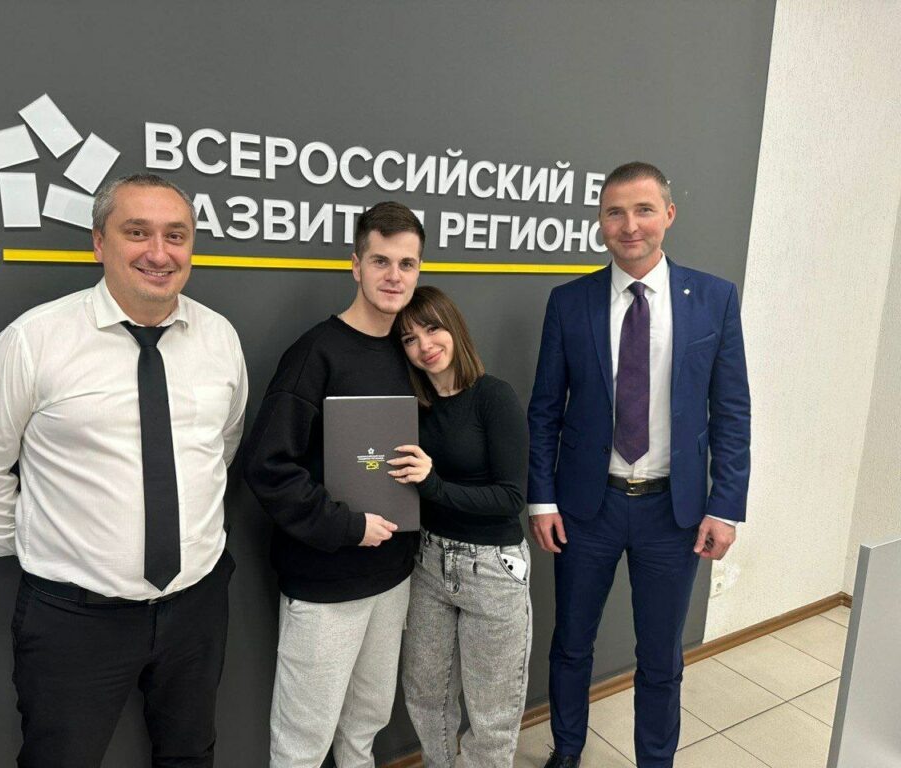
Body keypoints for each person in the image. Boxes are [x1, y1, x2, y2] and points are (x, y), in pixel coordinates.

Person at [0, 173, 248, 768]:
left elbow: (221, 446)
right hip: (74, 619)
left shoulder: (219, 337)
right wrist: (48, 546)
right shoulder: (35, 339)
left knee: (190, 755)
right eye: (137, 232)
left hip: (196, 606)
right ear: (99, 242)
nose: (159, 252)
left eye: (175, 235)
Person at [527, 162, 750, 768]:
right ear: (600, 221)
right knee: (571, 644)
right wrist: (541, 498)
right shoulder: (569, 303)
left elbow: (732, 411)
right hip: (586, 507)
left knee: (660, 657)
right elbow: (545, 410)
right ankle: (566, 751)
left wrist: (726, 506)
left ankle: (655, 760)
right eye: (615, 212)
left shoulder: (714, 299)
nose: (630, 226)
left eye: (644, 210)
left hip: (672, 512)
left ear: (668, 215)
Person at [241, 202, 423, 768]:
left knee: (365, 724)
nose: (394, 276)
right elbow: (268, 465)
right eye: (381, 261)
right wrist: (346, 527)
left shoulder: (412, 353)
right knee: (303, 741)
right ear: (355, 265)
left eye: (407, 264)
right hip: (326, 583)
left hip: (393, 577)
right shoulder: (314, 353)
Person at [388, 286, 531, 768]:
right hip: (428, 563)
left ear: (454, 327)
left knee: (492, 711)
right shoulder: (414, 405)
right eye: (409, 339)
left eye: (432, 328)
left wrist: (433, 485)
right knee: (425, 695)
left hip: (491, 567)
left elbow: (511, 498)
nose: (424, 345)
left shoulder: (494, 397)